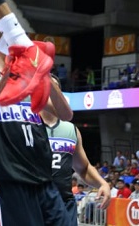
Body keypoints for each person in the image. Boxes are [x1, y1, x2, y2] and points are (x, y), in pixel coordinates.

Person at [0, 44, 73, 225]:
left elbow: (65, 114)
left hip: (42, 177)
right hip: (9, 178)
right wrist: (6, 78)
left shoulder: (30, 78)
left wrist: (45, 72)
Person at [39, 76, 110, 226]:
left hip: (63, 203)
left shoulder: (71, 130)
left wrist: (103, 184)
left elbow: (83, 168)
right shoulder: (27, 124)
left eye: (54, 89)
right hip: (34, 202)